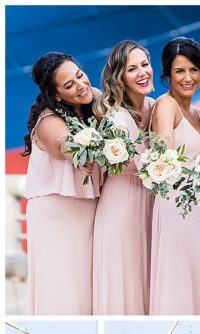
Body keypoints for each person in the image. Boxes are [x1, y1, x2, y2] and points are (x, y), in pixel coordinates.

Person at [23, 52, 101, 314]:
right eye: (69, 85)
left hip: (88, 212)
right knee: (63, 290)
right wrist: (79, 152)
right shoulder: (47, 121)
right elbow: (63, 144)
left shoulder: (94, 99)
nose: (80, 85)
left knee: (87, 290)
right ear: (56, 95)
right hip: (57, 215)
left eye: (80, 75)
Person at [149, 37, 200, 314]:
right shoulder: (165, 105)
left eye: (193, 70)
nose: (187, 77)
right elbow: (164, 143)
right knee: (178, 279)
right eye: (179, 71)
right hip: (176, 205)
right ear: (167, 74)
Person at [92, 40, 154, 314]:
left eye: (145, 64)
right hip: (121, 206)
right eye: (132, 69)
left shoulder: (155, 106)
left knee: (146, 277)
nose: (143, 73)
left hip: (150, 205)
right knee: (124, 278)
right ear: (120, 77)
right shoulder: (114, 115)